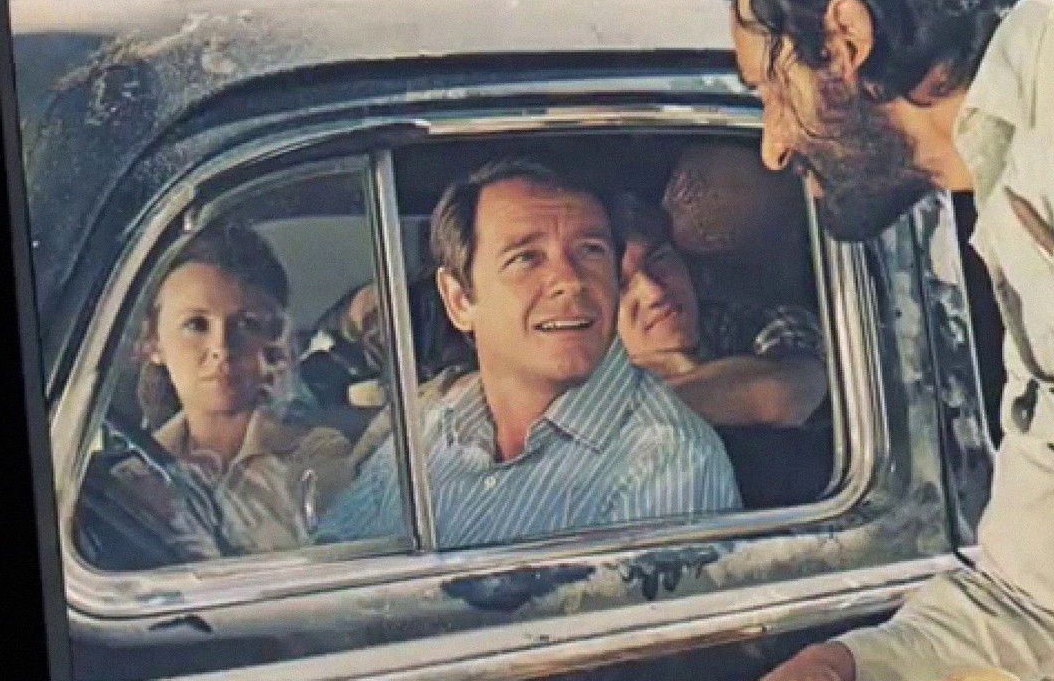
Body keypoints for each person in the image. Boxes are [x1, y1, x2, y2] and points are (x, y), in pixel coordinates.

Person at [724, 0, 1054, 680]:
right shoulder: (1026, 258)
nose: (772, 145)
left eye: (772, 90)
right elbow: (1029, 604)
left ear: (845, 39)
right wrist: (846, 667)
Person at [316, 159, 741, 548]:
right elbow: (337, 553)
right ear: (460, 299)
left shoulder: (664, 461)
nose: (570, 281)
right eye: (527, 258)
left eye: (590, 251)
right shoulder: (434, 423)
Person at [75, 224, 356, 570]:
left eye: (246, 325)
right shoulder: (126, 481)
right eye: (196, 325)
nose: (221, 347)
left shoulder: (316, 457)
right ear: (153, 343)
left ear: (272, 342)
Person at [615, 195, 832, 506]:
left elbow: (792, 390)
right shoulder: (576, 371)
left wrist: (629, 410)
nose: (654, 292)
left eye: (659, 259)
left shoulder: (752, 322)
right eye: (621, 284)